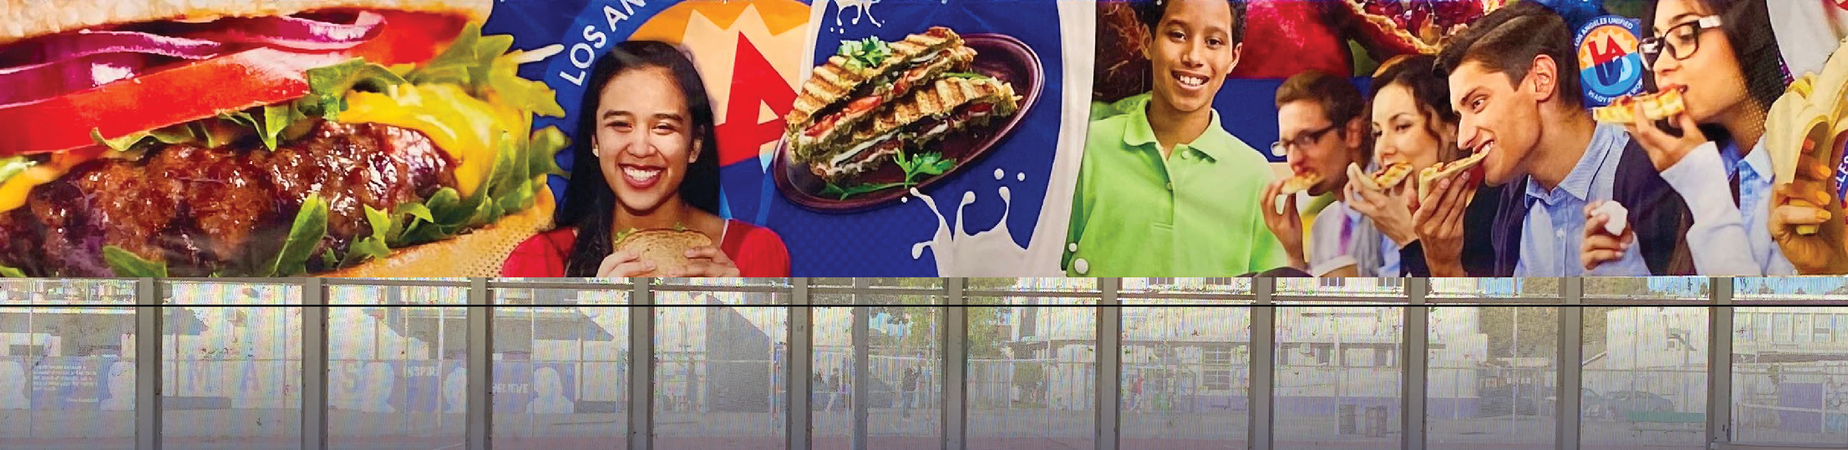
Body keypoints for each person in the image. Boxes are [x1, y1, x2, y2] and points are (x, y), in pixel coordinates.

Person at [1584, 0, 1848, 275]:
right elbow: (1697, 312)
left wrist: (1703, 188)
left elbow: (1752, 314)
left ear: (1748, 30)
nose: (1660, 64)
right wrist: (1624, 264)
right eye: (1657, 43)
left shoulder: (1805, 169)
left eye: (1684, 35)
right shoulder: (1691, 170)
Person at [1432, 1, 1682, 276]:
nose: (1463, 139)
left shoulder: (1652, 172)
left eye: (1477, 103)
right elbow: (1503, 320)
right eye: (1459, 116)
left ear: (1542, 79)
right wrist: (1445, 265)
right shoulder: (1508, 204)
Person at [500, 40, 790, 277]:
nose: (640, 148)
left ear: (695, 145)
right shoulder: (539, 261)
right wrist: (595, 315)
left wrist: (741, 313)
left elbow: (774, 349)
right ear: (595, 140)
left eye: (663, 127)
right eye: (620, 124)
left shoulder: (754, 253)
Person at [1065, 0, 1290, 276]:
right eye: (1178, 35)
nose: (1194, 56)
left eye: (1214, 41)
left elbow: (1273, 307)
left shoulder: (1257, 179)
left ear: (1234, 57)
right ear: (1147, 41)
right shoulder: (1083, 152)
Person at [1345, 54, 1506, 277]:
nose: (1383, 149)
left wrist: (1408, 239)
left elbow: (1458, 310)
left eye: (1402, 126)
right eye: (1378, 133)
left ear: (1454, 126)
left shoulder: (1500, 202)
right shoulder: (1413, 209)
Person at [1261, 70, 1373, 277]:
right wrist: (1294, 255)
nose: (1294, 160)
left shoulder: (1394, 212)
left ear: (1352, 133)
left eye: (1305, 139)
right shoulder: (1323, 226)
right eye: (1286, 145)